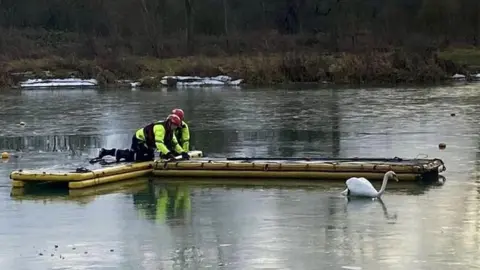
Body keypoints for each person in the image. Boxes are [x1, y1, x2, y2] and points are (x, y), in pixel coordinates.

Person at [96, 114, 190, 162]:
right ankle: (107, 151)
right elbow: (159, 143)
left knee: (149, 157)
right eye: (175, 126)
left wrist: (183, 152)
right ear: (170, 123)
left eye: (176, 127)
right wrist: (169, 154)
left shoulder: (170, 131)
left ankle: (127, 154)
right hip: (139, 139)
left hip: (147, 143)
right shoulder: (160, 128)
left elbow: (175, 143)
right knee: (134, 157)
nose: (175, 128)